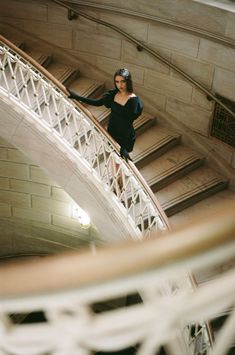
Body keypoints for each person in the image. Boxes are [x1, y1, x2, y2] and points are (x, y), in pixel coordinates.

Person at [67, 68, 143, 162]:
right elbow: (97, 103)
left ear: (128, 81)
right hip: (111, 130)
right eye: (117, 82)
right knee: (112, 158)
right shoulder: (114, 93)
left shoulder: (134, 101)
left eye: (123, 81)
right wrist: (76, 97)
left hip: (124, 136)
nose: (120, 85)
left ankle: (118, 175)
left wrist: (123, 146)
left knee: (119, 161)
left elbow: (127, 124)